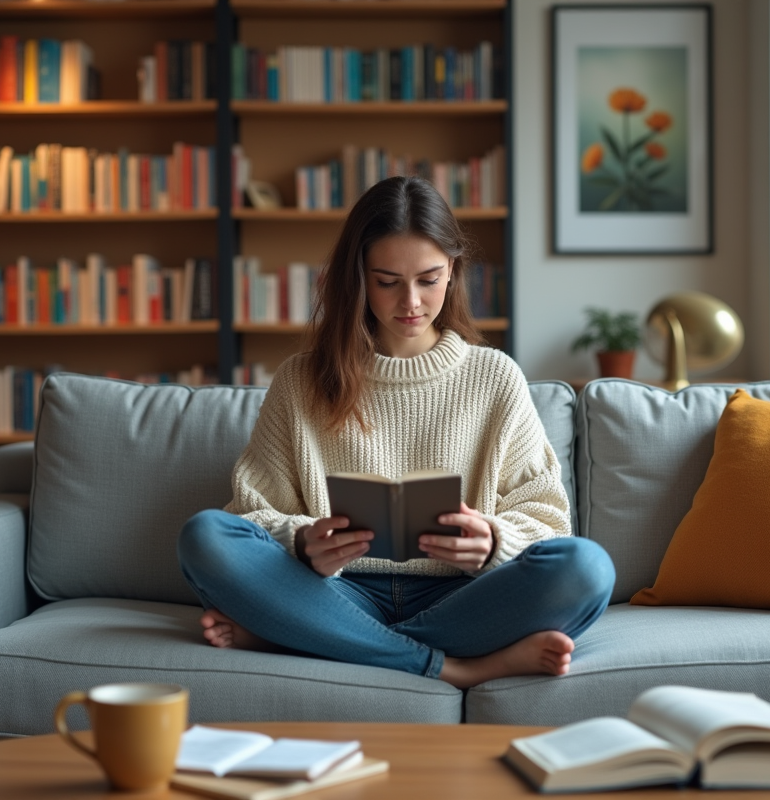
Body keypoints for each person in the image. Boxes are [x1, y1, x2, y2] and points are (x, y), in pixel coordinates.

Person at [177, 176, 614, 689]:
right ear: (358, 279)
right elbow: (250, 513)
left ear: (452, 270)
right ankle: (453, 667)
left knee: (588, 568)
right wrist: (302, 543)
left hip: (459, 597)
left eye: (428, 279)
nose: (410, 301)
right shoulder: (301, 379)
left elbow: (549, 520)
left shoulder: (495, 376)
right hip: (334, 591)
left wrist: (495, 541)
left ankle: (305, 636)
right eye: (387, 281)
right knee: (204, 536)